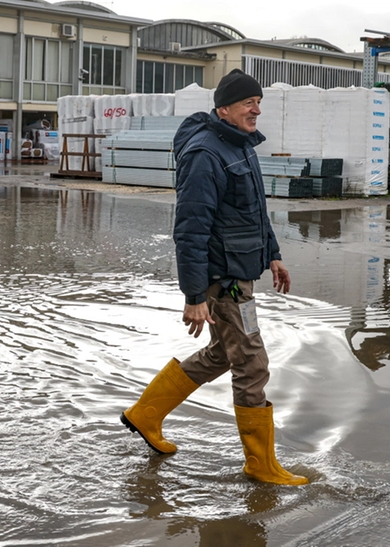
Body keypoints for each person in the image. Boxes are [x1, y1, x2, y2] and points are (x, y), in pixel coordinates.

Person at [120, 69, 307, 486]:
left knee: (223, 354)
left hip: (241, 269)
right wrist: (194, 295)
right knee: (252, 364)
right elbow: (190, 228)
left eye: (258, 102)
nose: (256, 109)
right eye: (247, 103)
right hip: (224, 280)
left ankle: (144, 415)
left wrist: (273, 255)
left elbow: (254, 211)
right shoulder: (205, 154)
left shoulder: (239, 145)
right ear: (223, 109)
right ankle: (260, 463)